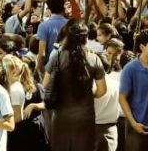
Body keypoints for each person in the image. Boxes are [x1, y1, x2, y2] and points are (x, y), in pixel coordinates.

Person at [43, 21, 107, 151]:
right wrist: (89, 94)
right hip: (85, 115)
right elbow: (102, 90)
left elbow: (45, 84)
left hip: (61, 116)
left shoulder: (57, 56)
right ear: (86, 38)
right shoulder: (94, 59)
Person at [119, 29, 148, 151]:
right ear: (142, 47)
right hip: (138, 129)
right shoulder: (130, 69)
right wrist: (133, 123)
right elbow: (122, 98)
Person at [36, 0, 69, 71]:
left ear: (49, 8)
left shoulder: (43, 25)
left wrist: (38, 70)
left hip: (51, 67)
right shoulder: (70, 24)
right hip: (68, 65)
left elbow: (42, 53)